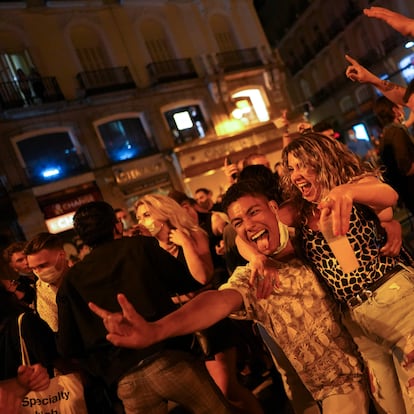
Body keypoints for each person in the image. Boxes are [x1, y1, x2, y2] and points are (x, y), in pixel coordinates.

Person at [90, 181, 371, 414]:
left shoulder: (312, 240)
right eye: (238, 221)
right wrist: (157, 330)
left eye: (254, 212)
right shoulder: (252, 278)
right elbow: (216, 300)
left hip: (377, 360)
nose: (248, 225)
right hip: (337, 389)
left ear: (273, 208)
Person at [280, 132, 414, 414]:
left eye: (304, 164)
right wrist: (255, 256)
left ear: (324, 160)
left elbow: (388, 194)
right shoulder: (299, 211)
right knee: (390, 407)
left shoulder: (355, 185)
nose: (297, 175)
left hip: (395, 299)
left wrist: (345, 192)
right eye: (292, 168)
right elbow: (252, 228)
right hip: (357, 321)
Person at [56, 201, 232, 414]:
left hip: (123, 376)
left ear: (81, 237)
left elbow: (67, 346)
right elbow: (187, 281)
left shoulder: (71, 280)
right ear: (117, 225)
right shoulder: (139, 247)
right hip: (169, 357)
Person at [135, 194, 261, 414]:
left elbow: (203, 277)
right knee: (214, 394)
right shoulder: (150, 249)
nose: (143, 222)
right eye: (139, 218)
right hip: (182, 327)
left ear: (163, 212)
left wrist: (185, 245)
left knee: (225, 389)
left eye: (147, 215)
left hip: (208, 321)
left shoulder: (193, 234)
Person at [373, 96, 414, 216]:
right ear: (395, 110)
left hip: (407, 194)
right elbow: (406, 167)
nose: (402, 108)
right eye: (399, 105)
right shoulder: (396, 132)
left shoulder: (387, 134)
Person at [24, 233, 69, 332]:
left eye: (42, 265)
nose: (38, 272)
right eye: (33, 268)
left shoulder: (83, 277)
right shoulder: (40, 290)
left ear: (62, 255)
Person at [2, 242, 36, 307]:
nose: (26, 262)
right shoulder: (19, 285)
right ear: (13, 267)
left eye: (27, 257)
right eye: (20, 260)